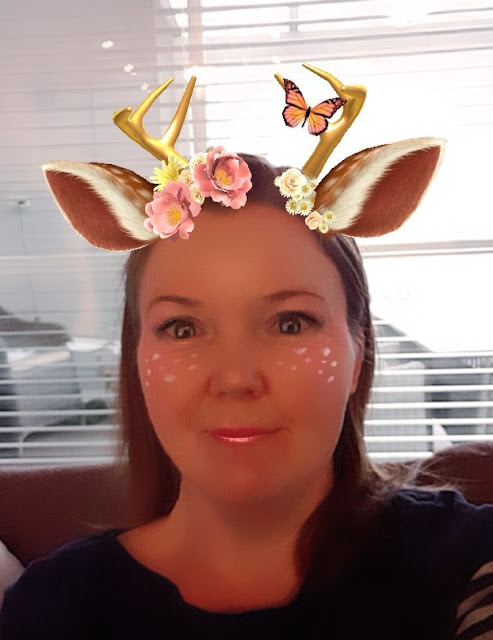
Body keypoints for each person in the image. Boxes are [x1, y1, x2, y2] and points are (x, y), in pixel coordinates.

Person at [1, 66, 492, 639]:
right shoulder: (53, 608)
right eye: (182, 329)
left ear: (358, 350)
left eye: (289, 323)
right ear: (136, 359)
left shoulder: (467, 560)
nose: (235, 377)